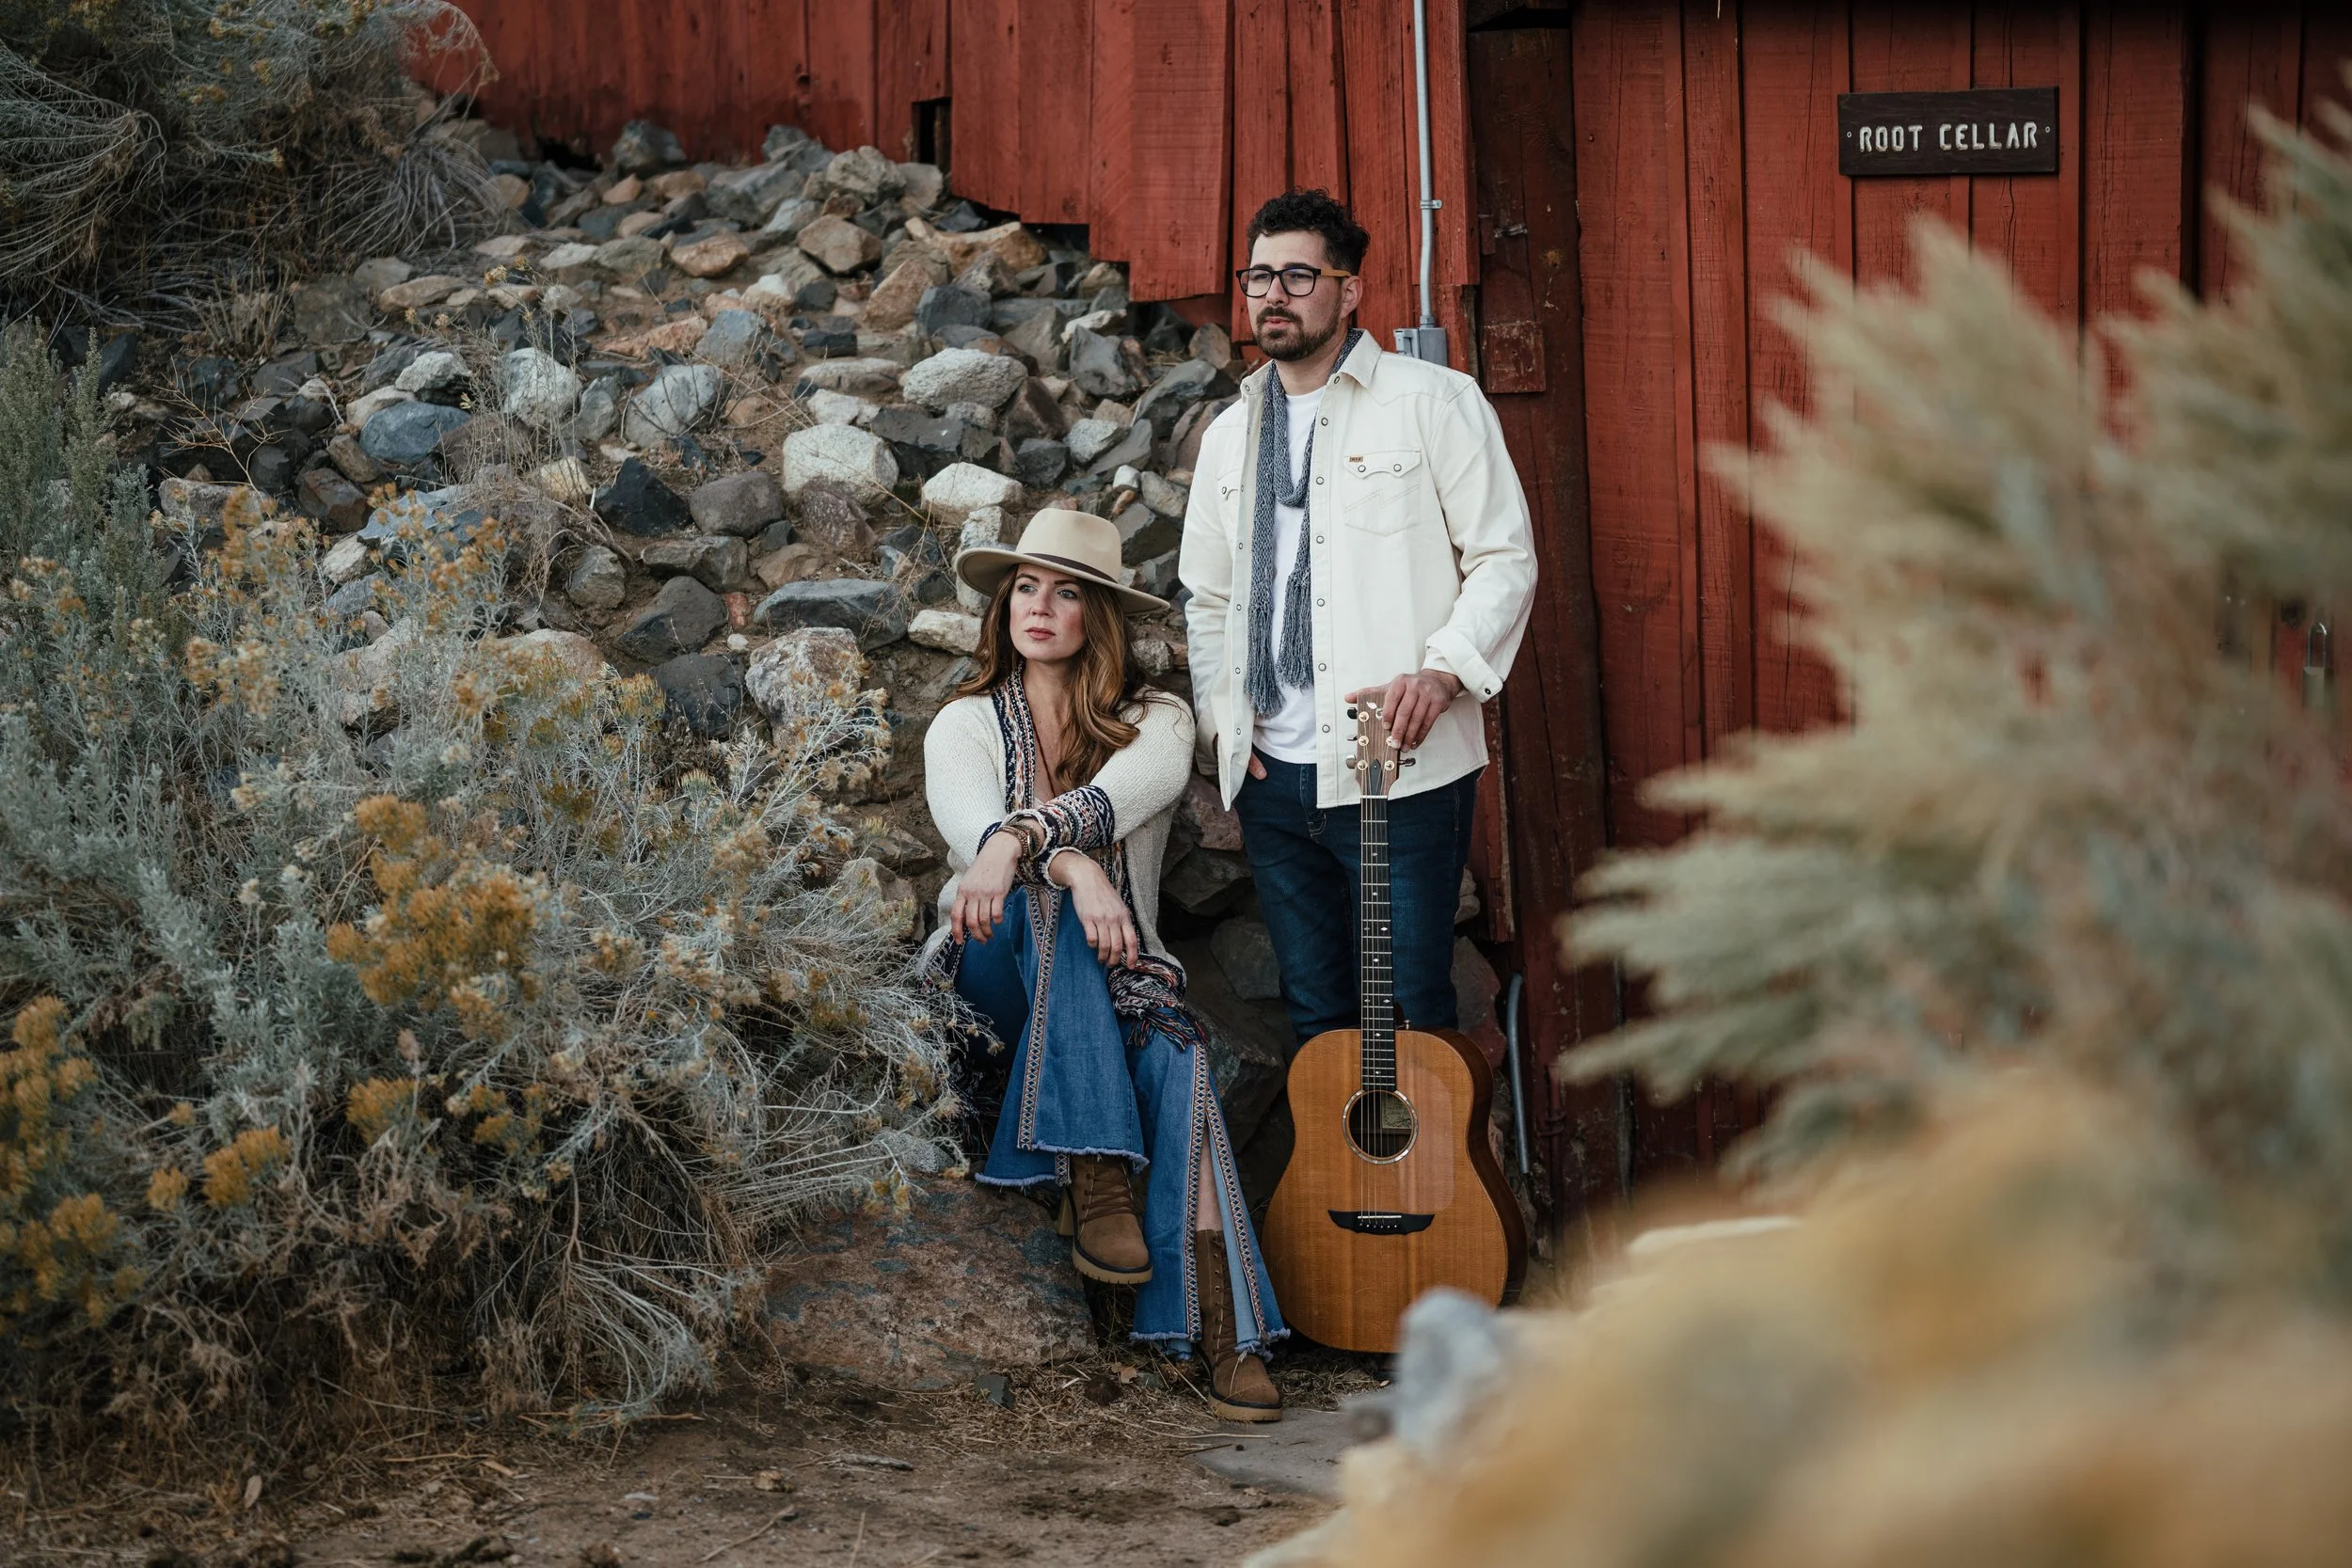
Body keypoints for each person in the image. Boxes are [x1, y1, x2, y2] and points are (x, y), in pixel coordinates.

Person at [922, 508, 1285, 1422]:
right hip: (981, 998)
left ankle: (1221, 1330)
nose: (1039, 606)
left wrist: (1031, 840)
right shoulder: (960, 726)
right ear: (1005, 604)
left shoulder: (1155, 722)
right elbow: (978, 849)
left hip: (1116, 988)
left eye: (1067, 591)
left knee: (1181, 1052)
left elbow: (1123, 794)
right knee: (1038, 900)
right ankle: (1096, 1172)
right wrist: (1073, 865)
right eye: (1027, 587)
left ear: (1099, 616)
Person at [1179, 188, 1537, 1050]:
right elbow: (1212, 597)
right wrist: (1229, 723)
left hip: (1400, 772)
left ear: (1350, 293)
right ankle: (1346, 1191)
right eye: (1259, 275)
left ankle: (1428, 1190)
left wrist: (1443, 669)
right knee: (1318, 1017)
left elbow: (1504, 559)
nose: (1274, 293)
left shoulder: (1434, 402)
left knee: (1414, 1013)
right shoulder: (1231, 434)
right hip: (1274, 782)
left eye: (1299, 275)